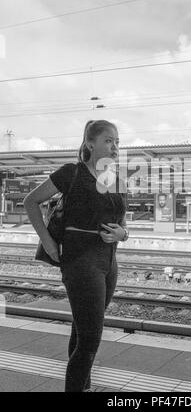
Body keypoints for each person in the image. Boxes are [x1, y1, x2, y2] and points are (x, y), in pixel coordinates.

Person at [24, 120, 129, 392]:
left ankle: (84, 387)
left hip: (109, 262)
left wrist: (122, 235)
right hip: (80, 262)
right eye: (108, 140)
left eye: (117, 141)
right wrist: (48, 244)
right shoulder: (72, 173)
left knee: (82, 332)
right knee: (91, 339)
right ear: (90, 144)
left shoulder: (114, 180)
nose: (115, 146)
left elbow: (123, 224)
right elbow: (30, 201)